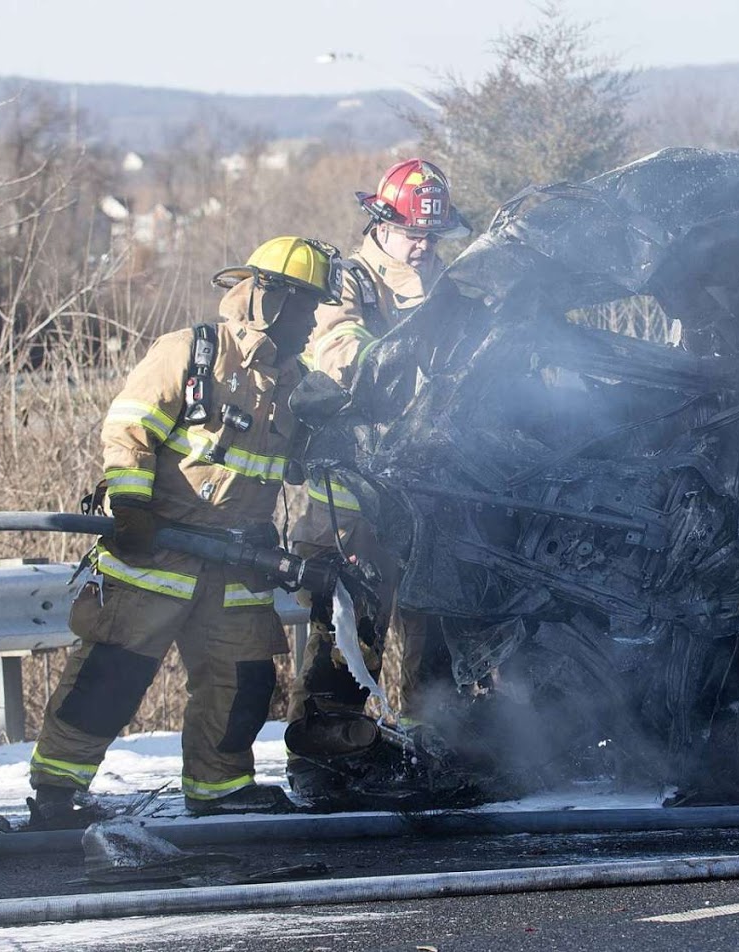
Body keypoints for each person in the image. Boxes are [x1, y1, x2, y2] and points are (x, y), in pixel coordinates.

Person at [26, 237, 341, 827]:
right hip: (157, 550)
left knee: (243, 680)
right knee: (110, 675)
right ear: (266, 300)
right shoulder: (189, 353)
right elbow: (129, 431)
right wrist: (131, 505)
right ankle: (55, 791)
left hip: (239, 561)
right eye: (302, 306)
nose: (310, 321)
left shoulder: (296, 384)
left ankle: (219, 788)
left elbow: (307, 463)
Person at [283, 158, 469, 804]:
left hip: (427, 484)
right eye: (413, 234)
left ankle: (429, 747)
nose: (422, 247)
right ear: (382, 223)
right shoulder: (346, 282)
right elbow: (340, 352)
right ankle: (324, 760)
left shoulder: (445, 284)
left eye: (431, 238)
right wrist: (400, 355)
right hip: (352, 486)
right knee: (347, 626)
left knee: (435, 617)